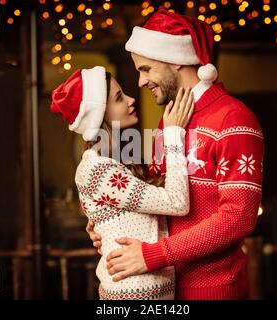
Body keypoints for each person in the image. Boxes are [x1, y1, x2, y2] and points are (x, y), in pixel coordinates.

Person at [87, 9, 265, 300]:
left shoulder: (233, 118)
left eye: (146, 69)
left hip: (212, 291)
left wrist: (154, 255)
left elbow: (238, 218)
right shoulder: (169, 122)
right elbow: (158, 200)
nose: (141, 82)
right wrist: (111, 222)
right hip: (160, 290)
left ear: (177, 62)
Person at [50, 65, 195, 299]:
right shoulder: (97, 170)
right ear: (100, 116)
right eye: (119, 98)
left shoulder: (117, 161)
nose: (130, 100)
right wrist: (173, 134)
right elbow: (177, 202)